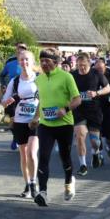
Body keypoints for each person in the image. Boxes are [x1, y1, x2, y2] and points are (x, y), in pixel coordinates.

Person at [33, 48, 81, 206]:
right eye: (41, 61)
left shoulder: (66, 77)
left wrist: (65, 109)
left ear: (55, 62)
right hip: (46, 124)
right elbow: (42, 101)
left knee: (65, 156)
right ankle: (43, 192)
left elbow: (77, 99)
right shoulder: (39, 79)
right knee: (43, 157)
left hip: (64, 124)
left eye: (47, 61)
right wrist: (35, 117)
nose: (44, 64)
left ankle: (69, 181)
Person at [1, 49, 40, 197]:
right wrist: (8, 101)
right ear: (18, 62)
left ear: (32, 62)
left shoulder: (39, 79)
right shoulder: (15, 81)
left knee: (31, 152)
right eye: (22, 60)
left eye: (27, 59)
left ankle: (33, 183)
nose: (24, 62)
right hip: (19, 120)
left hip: (35, 120)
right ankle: (27, 184)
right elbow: (4, 102)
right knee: (23, 154)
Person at [71, 53, 110, 175]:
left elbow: (108, 88)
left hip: (94, 111)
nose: (81, 68)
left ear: (89, 64)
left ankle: (96, 153)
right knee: (80, 135)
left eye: (83, 65)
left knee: (95, 142)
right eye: (78, 66)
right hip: (79, 111)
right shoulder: (72, 75)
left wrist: (96, 93)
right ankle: (83, 165)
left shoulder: (96, 74)